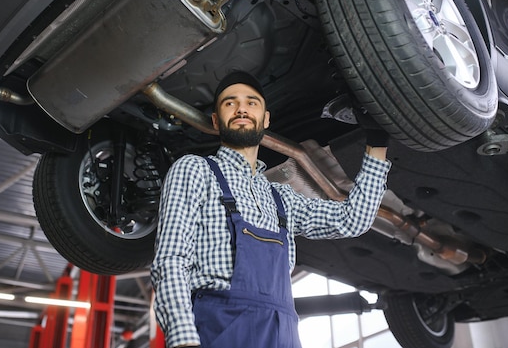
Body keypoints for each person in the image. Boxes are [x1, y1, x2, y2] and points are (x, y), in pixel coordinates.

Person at [150, 71, 391, 348]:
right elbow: (171, 259)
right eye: (230, 103)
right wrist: (183, 340)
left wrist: (377, 142)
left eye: (252, 102)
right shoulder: (195, 170)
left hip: (283, 333)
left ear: (265, 119)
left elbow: (353, 220)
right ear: (216, 120)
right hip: (221, 329)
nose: (241, 108)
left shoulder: (281, 198)